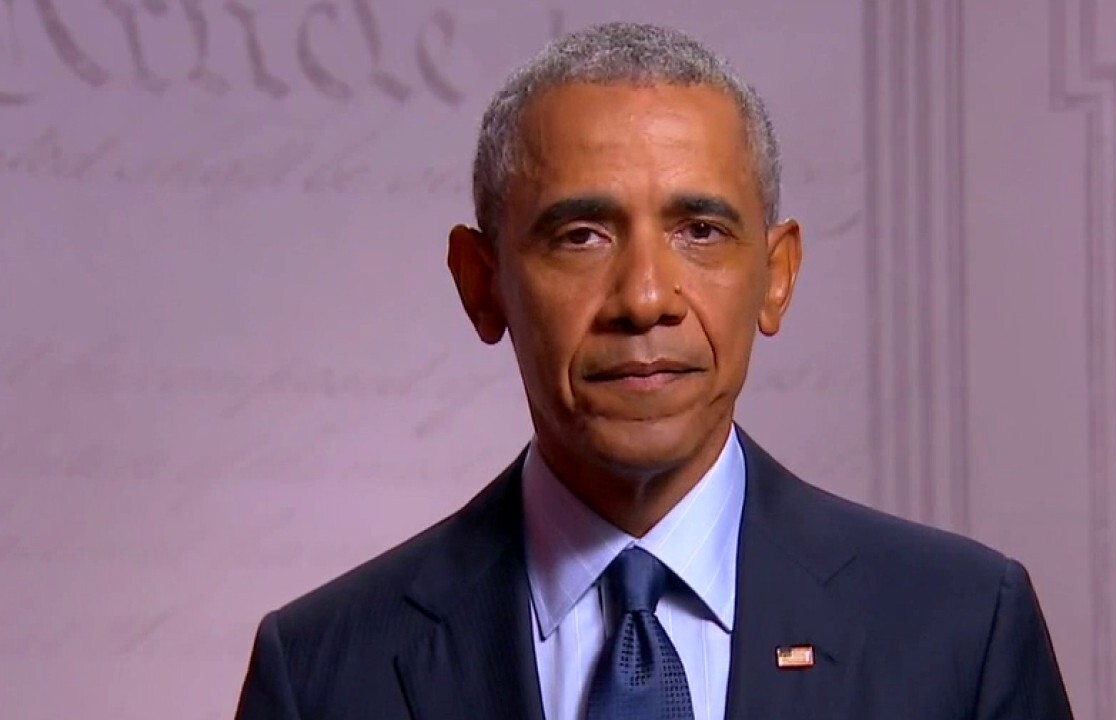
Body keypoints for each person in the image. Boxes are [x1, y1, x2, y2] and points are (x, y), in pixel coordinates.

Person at [234, 21, 1073, 720]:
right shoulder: (320, 677)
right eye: (581, 235)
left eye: (700, 231)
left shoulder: (963, 635)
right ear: (482, 284)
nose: (644, 298)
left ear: (776, 277)